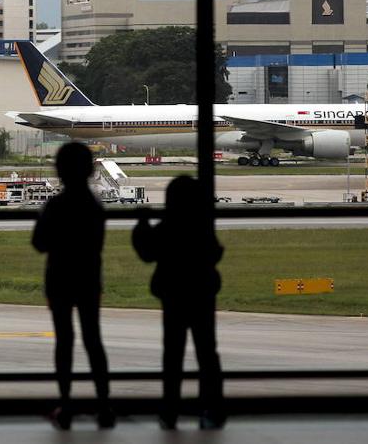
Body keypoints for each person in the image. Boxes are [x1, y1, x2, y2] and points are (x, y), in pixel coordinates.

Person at [31, 142, 114, 430]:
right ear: (91, 170)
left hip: (60, 278)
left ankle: (65, 404)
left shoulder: (56, 205)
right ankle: (104, 405)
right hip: (89, 277)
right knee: (94, 340)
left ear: (59, 171)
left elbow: (39, 243)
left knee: (64, 342)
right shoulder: (95, 206)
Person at [132, 175, 225, 430]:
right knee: (207, 354)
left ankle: (170, 411)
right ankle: (213, 409)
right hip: (202, 294)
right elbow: (216, 252)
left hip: (173, 296)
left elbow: (147, 252)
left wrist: (141, 223)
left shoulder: (168, 227)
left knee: (172, 356)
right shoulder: (201, 227)